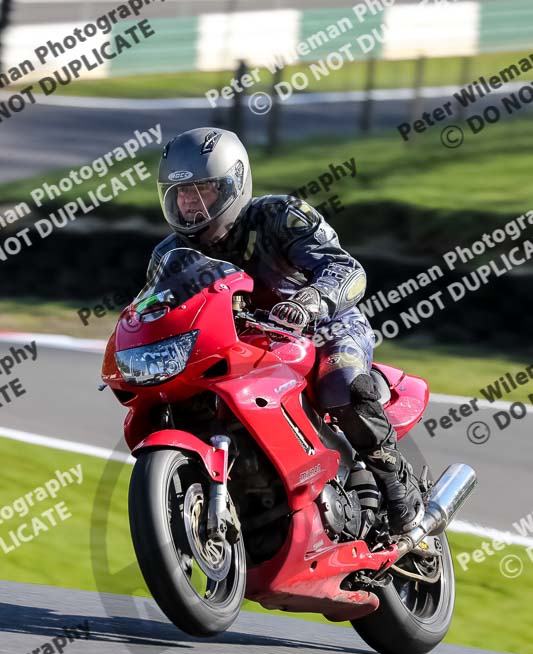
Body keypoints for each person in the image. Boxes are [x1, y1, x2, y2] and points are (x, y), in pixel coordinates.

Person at [147, 127, 423, 536]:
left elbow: (347, 270)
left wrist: (311, 301)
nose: (189, 204)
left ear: (233, 185)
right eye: (180, 194)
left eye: (201, 190)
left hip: (323, 330)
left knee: (342, 385)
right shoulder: (168, 256)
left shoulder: (281, 216)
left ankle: (397, 487)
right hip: (239, 348)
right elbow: (155, 313)